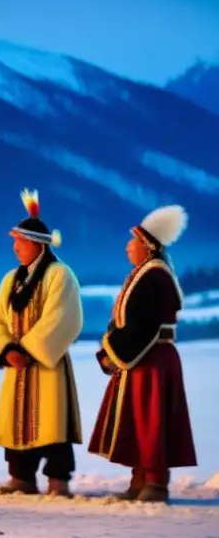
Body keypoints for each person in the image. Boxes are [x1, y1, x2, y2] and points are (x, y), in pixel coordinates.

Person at [88, 205, 197, 503]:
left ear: (146, 246)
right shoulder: (145, 274)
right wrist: (109, 348)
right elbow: (126, 321)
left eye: (132, 241)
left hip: (152, 358)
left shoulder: (155, 276)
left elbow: (143, 324)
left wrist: (113, 352)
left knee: (152, 421)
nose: (127, 246)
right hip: (142, 357)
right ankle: (140, 479)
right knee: (137, 419)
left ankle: (155, 482)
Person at [0, 189, 83, 497]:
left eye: (20, 242)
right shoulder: (10, 280)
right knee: (16, 424)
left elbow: (62, 316)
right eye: (14, 242)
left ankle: (58, 479)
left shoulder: (60, 275)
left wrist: (27, 350)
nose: (15, 248)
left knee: (52, 423)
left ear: (37, 245)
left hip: (46, 363)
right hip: (18, 364)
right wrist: (8, 349)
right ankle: (22, 477)